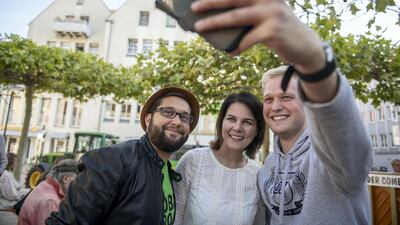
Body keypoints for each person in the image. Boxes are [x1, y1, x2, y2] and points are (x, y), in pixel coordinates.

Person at [191, 0, 372, 224]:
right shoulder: (267, 169)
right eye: (268, 99)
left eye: (286, 97)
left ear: (308, 103)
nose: (276, 106)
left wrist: (314, 63)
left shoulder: (329, 155)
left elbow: (341, 128)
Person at [46, 87, 200, 225]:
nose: (177, 121)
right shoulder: (113, 161)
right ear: (148, 119)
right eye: (168, 112)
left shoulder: (171, 174)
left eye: (185, 117)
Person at [174, 92, 266, 225]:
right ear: (221, 122)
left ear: (257, 130)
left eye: (247, 122)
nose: (237, 127)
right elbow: (174, 218)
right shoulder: (193, 161)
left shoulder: (258, 175)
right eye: (231, 119)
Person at [17, 159, 78, 225]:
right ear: (65, 179)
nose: (77, 185)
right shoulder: (50, 202)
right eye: (76, 181)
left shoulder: (46, 185)